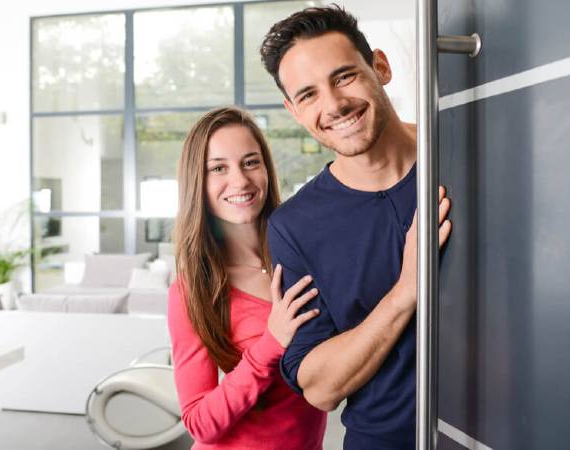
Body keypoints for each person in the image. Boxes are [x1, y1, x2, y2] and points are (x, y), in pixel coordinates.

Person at [259, 6, 452, 449]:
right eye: (307, 95)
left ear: (379, 67)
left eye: (344, 76)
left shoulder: (464, 155)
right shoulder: (294, 226)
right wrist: (406, 291)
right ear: (293, 111)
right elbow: (320, 387)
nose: (333, 105)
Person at [167, 107, 327, 449]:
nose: (240, 180)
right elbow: (198, 423)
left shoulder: (302, 259)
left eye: (251, 162)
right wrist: (272, 341)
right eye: (218, 168)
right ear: (198, 180)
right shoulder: (191, 291)